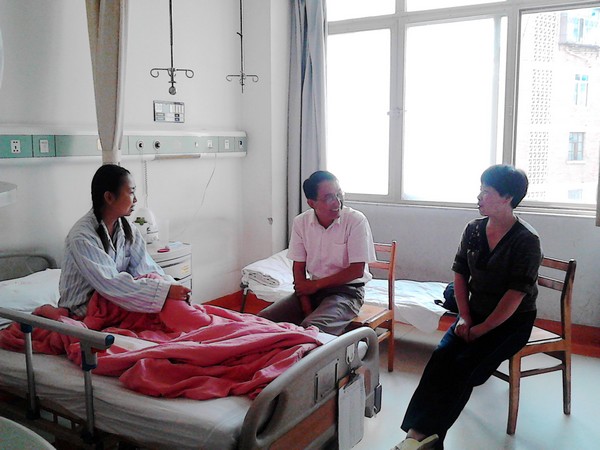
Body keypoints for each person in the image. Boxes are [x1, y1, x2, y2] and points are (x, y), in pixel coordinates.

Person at [392, 165, 542, 450]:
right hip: (473, 314)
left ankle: (422, 439)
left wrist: (483, 329)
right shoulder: (474, 229)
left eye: (486, 191)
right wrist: (464, 317)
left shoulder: (526, 240)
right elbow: (460, 274)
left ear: (507, 198)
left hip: (510, 322)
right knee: (441, 358)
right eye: (480, 190)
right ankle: (416, 435)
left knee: (464, 367)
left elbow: (515, 295)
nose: (479, 197)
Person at [58, 164, 191, 317]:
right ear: (109, 197)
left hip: (112, 301)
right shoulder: (82, 237)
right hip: (83, 311)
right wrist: (165, 291)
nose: (135, 200)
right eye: (131, 192)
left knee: (159, 284)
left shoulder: (128, 230)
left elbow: (146, 268)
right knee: (167, 308)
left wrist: (173, 286)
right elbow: (110, 283)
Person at [258, 170, 376, 335]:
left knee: (312, 328)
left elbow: (356, 270)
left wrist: (315, 285)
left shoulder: (355, 220)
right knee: (262, 320)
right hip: (313, 292)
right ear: (311, 203)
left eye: (339, 194)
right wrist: (306, 305)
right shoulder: (301, 222)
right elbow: (298, 268)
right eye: (329, 198)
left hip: (347, 292)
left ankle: (320, 349)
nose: (337, 202)